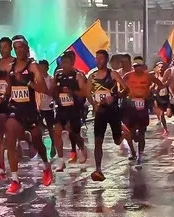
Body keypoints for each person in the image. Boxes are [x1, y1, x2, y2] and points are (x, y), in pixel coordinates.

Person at [2, 36, 54, 194]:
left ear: (26, 48)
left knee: (38, 140)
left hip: (30, 111)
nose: (18, 50)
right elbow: (9, 90)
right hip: (15, 110)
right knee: (10, 140)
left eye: (21, 47)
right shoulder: (11, 68)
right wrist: (2, 95)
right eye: (16, 48)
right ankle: (15, 180)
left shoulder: (32, 67)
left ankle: (46, 166)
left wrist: (26, 82)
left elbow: (44, 89)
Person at [88, 49, 123, 182]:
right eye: (96, 58)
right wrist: (94, 104)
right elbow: (87, 93)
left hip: (113, 111)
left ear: (106, 60)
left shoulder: (113, 74)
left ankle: (124, 133)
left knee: (117, 141)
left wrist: (114, 97)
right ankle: (98, 169)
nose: (98, 61)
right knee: (98, 142)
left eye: (101, 59)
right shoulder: (92, 76)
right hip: (100, 113)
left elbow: (125, 88)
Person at [52, 49, 89, 170]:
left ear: (72, 63)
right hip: (61, 109)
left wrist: (72, 92)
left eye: (66, 63)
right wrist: (55, 95)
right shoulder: (58, 75)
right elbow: (54, 90)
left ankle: (81, 145)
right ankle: (60, 160)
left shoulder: (78, 75)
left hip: (74, 109)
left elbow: (84, 93)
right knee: (57, 132)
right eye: (62, 63)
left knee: (72, 132)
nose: (64, 65)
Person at [122, 56, 155, 166]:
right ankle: (132, 151)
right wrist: (125, 93)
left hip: (143, 106)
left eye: (139, 66)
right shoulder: (128, 75)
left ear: (143, 67)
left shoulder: (148, 76)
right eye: (135, 66)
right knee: (129, 132)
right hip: (130, 106)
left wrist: (150, 91)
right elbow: (120, 85)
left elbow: (159, 84)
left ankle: (140, 155)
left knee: (141, 132)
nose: (137, 69)